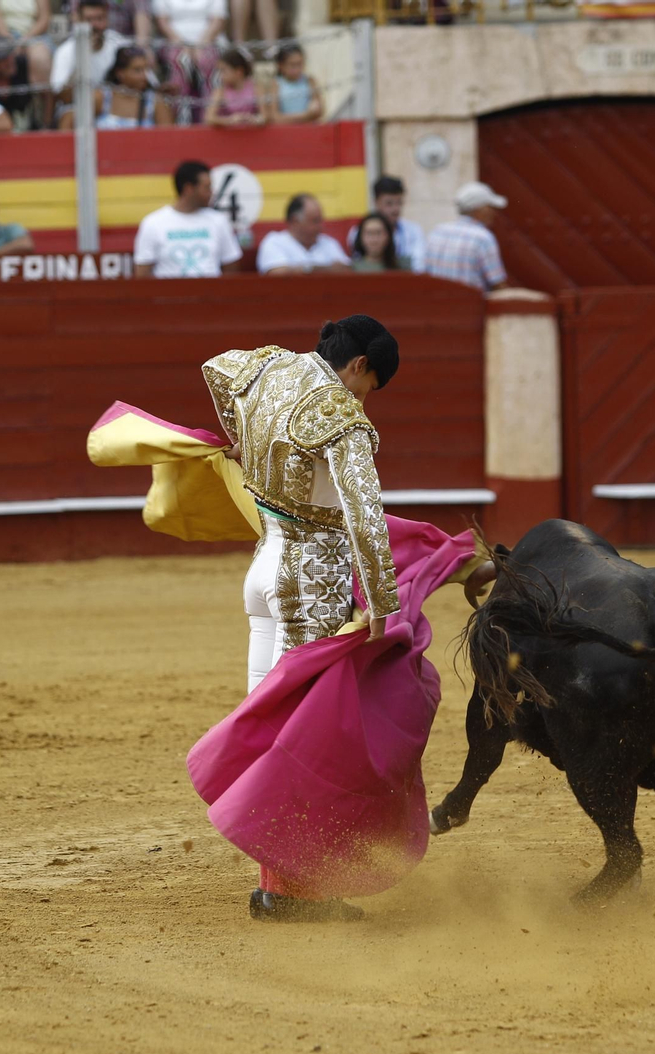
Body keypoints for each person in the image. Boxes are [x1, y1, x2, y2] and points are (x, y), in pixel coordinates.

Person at [199, 315, 402, 920]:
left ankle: (277, 883)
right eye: (369, 387)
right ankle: (297, 892)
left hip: (263, 567)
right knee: (303, 738)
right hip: (309, 582)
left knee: (270, 731)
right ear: (360, 365)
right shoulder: (339, 416)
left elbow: (215, 368)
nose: (364, 401)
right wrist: (382, 607)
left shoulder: (266, 364)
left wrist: (238, 435)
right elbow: (366, 520)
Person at [132, 159, 241, 278]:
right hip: (169, 296)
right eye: (207, 188)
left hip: (211, 296)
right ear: (188, 188)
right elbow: (142, 273)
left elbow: (230, 267)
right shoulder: (153, 223)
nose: (212, 193)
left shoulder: (219, 221)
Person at [424, 181, 507, 292]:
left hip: (438, 305)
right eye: (490, 207)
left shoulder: (437, 231)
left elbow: (425, 273)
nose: (494, 212)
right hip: (470, 306)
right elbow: (498, 284)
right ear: (479, 209)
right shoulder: (483, 238)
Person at [65, 44, 168, 130]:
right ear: (120, 73)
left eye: (146, 70)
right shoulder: (102, 97)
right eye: (137, 70)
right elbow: (68, 119)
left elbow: (167, 138)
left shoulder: (155, 103)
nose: (144, 76)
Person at [153, 0, 222, 119]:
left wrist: (200, 46)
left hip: (208, 41)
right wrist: (183, 46)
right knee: (181, 60)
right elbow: (162, 22)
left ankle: (209, 115)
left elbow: (217, 21)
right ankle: (180, 116)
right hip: (173, 42)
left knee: (206, 60)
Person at [50, 0, 126, 104]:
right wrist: (84, 55)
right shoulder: (65, 51)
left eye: (99, 19)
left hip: (114, 107)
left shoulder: (119, 44)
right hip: (77, 107)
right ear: (79, 20)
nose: (94, 25)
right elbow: (63, 96)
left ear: (107, 19)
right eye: (88, 20)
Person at [256, 194, 351, 275]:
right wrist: (315, 268)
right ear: (295, 221)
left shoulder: (329, 243)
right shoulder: (274, 242)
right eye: (315, 221)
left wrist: (301, 269)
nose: (320, 226)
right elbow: (277, 273)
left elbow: (347, 270)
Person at [0, 0, 50, 93]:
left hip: (30, 36)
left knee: (41, 57)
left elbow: (44, 19)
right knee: (0, 59)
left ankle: (47, 106)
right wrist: (10, 45)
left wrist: (24, 41)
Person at [348, 175, 423, 272]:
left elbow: (418, 267)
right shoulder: (357, 231)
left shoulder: (414, 231)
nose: (395, 209)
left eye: (399, 203)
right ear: (376, 202)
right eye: (389, 203)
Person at [264, 43, 320, 125]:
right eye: (292, 65)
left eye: (300, 64)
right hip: (285, 131)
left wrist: (313, 111)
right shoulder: (276, 84)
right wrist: (306, 116)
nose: (297, 69)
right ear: (281, 65)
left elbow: (319, 111)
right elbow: (274, 117)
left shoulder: (309, 80)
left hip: (308, 129)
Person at [203, 47, 258, 127]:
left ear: (239, 71)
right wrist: (230, 120)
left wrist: (254, 119)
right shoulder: (220, 92)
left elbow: (265, 117)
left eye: (223, 70)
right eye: (219, 71)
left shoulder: (255, 88)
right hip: (227, 136)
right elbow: (209, 118)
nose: (220, 76)